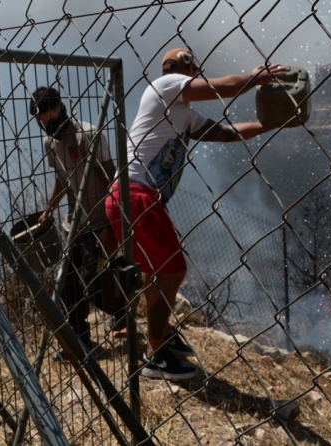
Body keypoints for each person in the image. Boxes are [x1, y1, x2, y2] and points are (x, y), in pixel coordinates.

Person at [105, 48, 287, 380]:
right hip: (137, 194)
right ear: (184, 69)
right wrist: (257, 77)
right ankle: (155, 355)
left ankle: (158, 338)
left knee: (158, 273)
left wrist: (266, 125)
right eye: (193, 68)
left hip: (126, 196)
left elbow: (226, 133)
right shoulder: (166, 85)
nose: (196, 73)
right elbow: (225, 87)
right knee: (173, 271)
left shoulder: (183, 114)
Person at [30, 86, 118, 359]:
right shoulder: (51, 143)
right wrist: (50, 208)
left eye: (51, 120)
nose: (49, 128)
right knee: (68, 285)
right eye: (42, 124)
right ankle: (79, 342)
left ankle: (122, 317)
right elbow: (62, 178)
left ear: (60, 108)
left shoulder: (88, 135)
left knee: (95, 282)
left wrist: (110, 226)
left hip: (99, 221)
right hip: (73, 224)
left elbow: (111, 178)